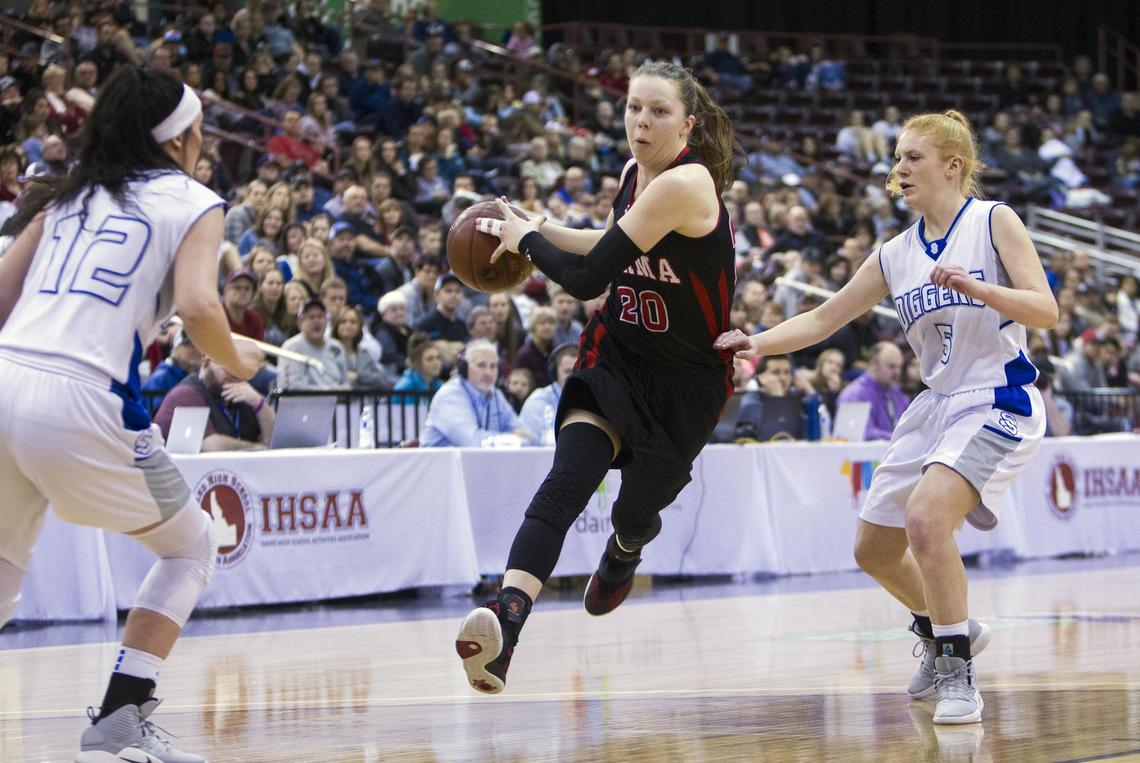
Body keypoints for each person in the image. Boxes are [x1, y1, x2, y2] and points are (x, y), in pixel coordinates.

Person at [716, 110, 1057, 725]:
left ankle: (956, 669)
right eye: (896, 158)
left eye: (912, 157)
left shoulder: (992, 221)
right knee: (873, 549)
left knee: (927, 522)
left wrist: (981, 290)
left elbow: (1045, 310)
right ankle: (948, 626)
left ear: (952, 166)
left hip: (997, 395)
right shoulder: (895, 254)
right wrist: (759, 341)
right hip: (935, 403)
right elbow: (823, 320)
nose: (898, 169)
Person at [0, 67, 260, 760]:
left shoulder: (67, 194)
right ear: (179, 140)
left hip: (5, 373)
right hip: (81, 394)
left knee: (0, 567)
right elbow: (203, 308)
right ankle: (120, 717)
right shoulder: (196, 201)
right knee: (193, 542)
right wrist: (236, 362)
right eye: (199, 130)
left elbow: (1, 298)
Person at [455, 61, 737, 695]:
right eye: (634, 107)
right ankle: (506, 623)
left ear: (687, 122)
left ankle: (627, 546)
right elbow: (610, 243)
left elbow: (585, 279)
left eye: (659, 111)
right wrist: (539, 227)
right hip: (618, 355)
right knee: (567, 479)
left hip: (685, 383)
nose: (641, 120)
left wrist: (529, 241)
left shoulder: (686, 183)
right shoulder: (634, 175)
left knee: (637, 510)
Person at [154, 351, 276, 450]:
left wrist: (260, 403)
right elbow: (211, 446)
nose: (234, 375)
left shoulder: (242, 393)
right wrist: (256, 448)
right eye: (226, 368)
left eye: (238, 370)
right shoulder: (187, 393)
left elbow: (274, 442)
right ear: (206, 364)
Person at [420, 338, 531, 447]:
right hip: (440, 464)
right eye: (481, 365)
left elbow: (526, 436)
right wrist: (511, 438)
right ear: (464, 368)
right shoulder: (450, 395)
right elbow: (471, 441)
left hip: (475, 463)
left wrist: (513, 438)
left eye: (493, 366)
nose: (488, 372)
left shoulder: (496, 395)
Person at [835, 341, 910, 440]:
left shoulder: (898, 395)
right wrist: (901, 439)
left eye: (899, 367)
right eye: (891, 366)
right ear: (873, 365)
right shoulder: (853, 395)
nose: (897, 372)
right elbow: (863, 433)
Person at [279, 298, 349, 389]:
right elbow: (290, 387)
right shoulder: (290, 347)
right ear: (300, 322)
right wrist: (330, 391)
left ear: (327, 321)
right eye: (311, 317)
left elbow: (345, 382)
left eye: (320, 316)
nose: (316, 321)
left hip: (338, 402)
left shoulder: (336, 347)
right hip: (303, 402)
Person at [519, 342, 578, 445]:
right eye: (567, 371)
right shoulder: (538, 401)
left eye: (578, 371)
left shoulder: (589, 399)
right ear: (555, 373)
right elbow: (537, 444)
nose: (574, 377)